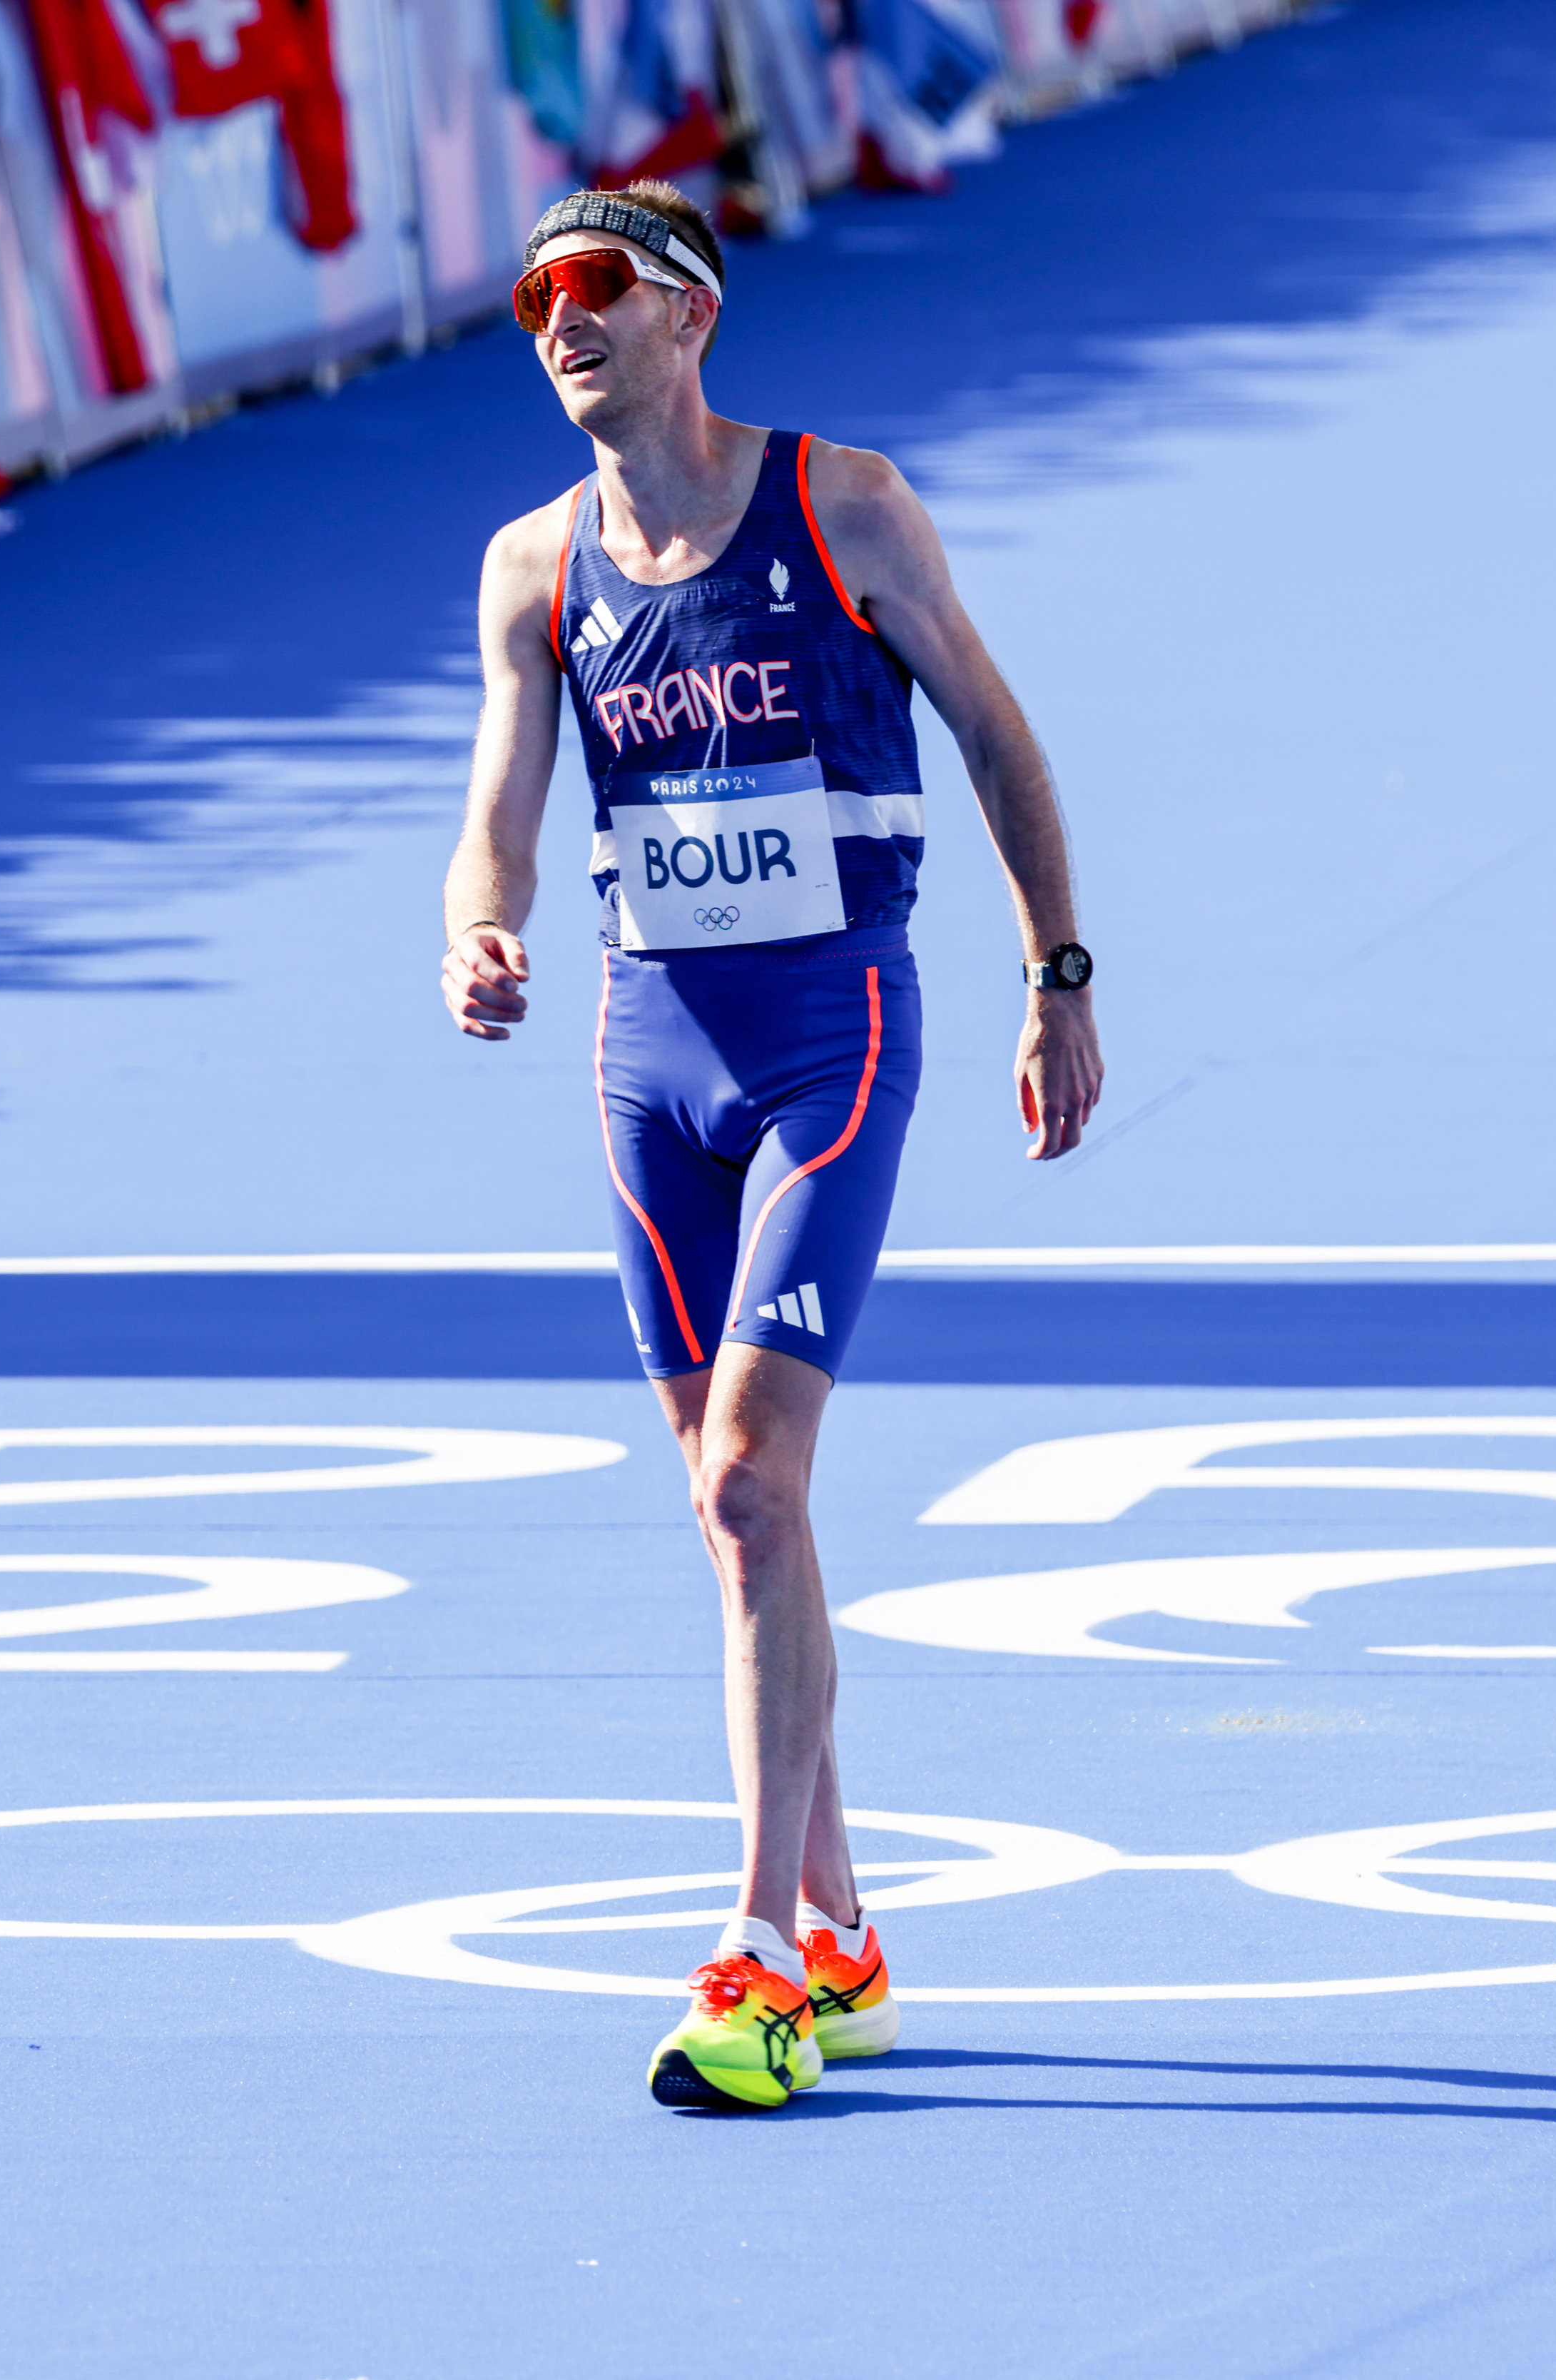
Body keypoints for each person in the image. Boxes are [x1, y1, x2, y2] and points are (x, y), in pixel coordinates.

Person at [439, 182, 1103, 2112]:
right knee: (746, 1511)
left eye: (594, 288)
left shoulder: (850, 505)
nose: (557, 320)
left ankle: (750, 1957)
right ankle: (846, 1928)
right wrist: (476, 923)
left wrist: (1056, 974)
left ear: (691, 316)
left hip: (838, 1032)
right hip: (651, 1051)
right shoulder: (530, 565)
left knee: (749, 1478)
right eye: (532, 295)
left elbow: (999, 737)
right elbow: (499, 798)